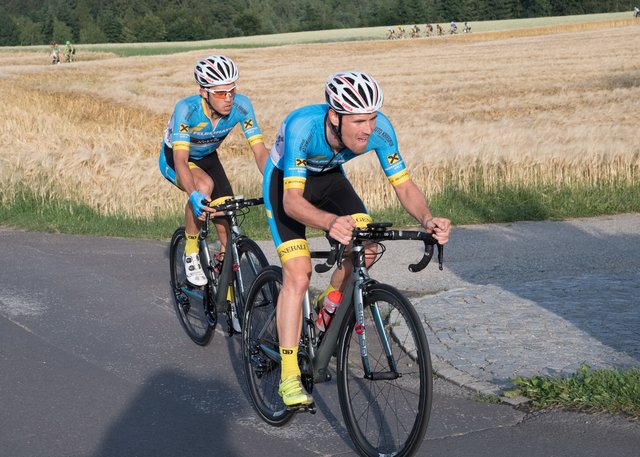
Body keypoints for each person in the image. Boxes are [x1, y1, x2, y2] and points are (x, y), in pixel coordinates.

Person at [262, 71, 452, 407]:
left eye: (373, 118)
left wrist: (427, 218)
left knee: (366, 247)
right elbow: (292, 202)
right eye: (359, 120)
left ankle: (329, 302)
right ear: (335, 117)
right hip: (286, 185)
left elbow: (404, 185)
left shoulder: (380, 131)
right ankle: (289, 374)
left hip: (331, 180)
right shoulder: (303, 129)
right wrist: (330, 222)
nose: (368, 129)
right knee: (299, 273)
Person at [159, 55, 268, 286]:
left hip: (208, 158)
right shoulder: (186, 110)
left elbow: (259, 151)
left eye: (232, 90)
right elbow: (180, 159)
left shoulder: (242, 106)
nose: (228, 98)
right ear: (204, 92)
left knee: (227, 226)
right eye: (220, 93)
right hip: (176, 158)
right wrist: (193, 194)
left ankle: (225, 289)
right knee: (203, 186)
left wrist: (275, 183)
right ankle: (190, 250)